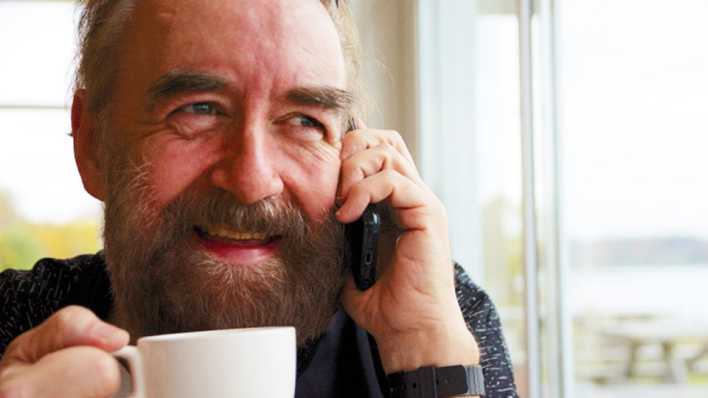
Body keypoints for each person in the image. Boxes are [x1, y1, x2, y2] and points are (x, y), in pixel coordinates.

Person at [0, 0, 518, 397]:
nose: (252, 180)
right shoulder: (13, 322)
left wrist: (428, 352)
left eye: (304, 122)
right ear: (92, 143)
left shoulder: (440, 314)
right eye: (197, 109)